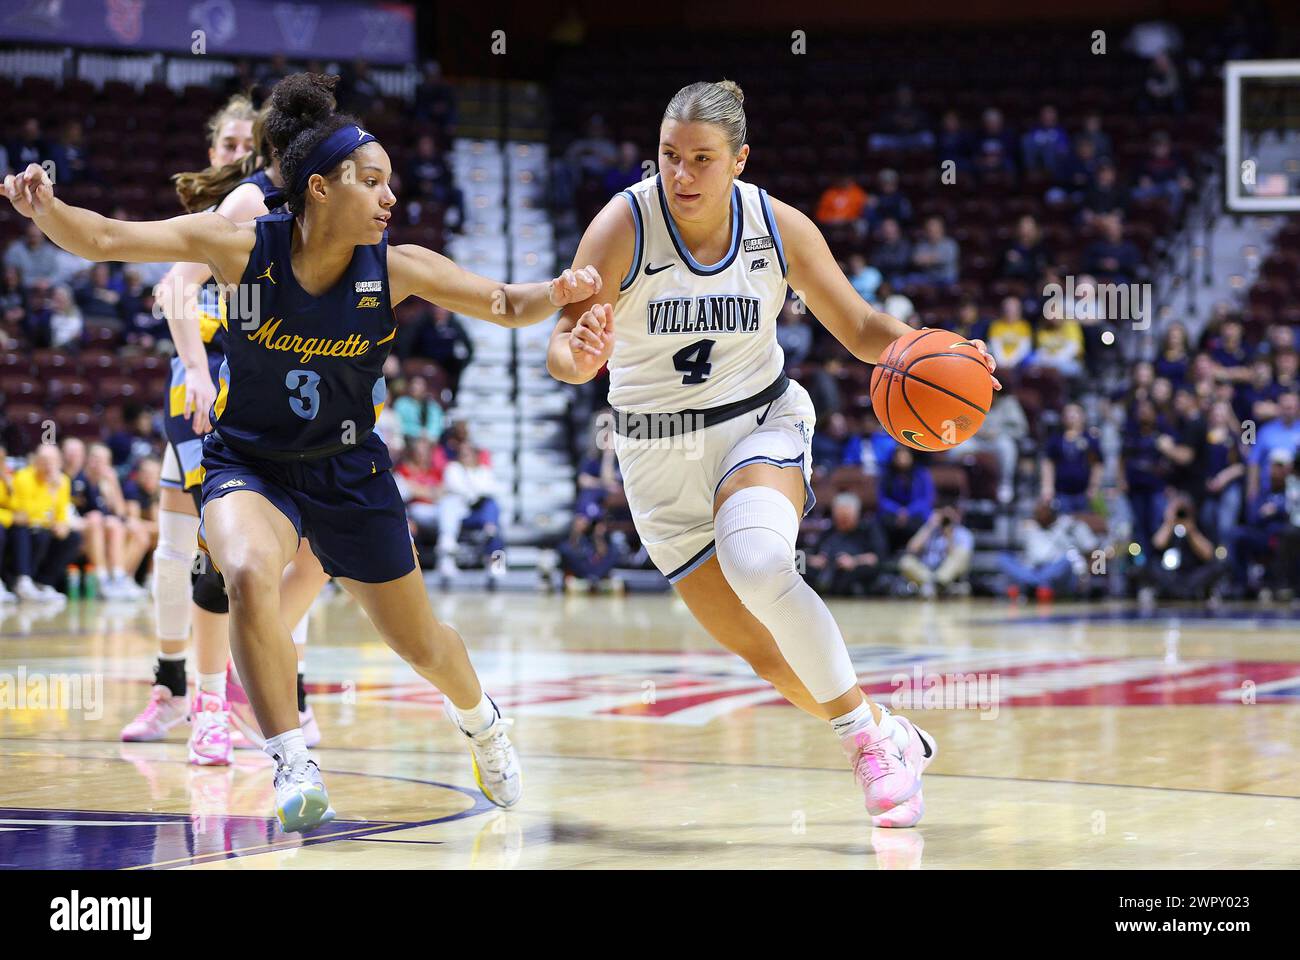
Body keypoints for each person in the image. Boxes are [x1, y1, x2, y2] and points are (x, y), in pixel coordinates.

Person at [5, 71, 604, 830]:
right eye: (373, 182)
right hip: (247, 461)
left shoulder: (394, 269)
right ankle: (291, 755)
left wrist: (563, 287)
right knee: (249, 574)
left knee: (420, 644)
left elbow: (504, 304)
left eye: (393, 185)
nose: (391, 199)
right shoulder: (238, 247)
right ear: (320, 188)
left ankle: (482, 720)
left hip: (348, 469)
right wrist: (44, 206)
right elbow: (109, 239)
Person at [545, 79, 999, 828]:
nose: (681, 176)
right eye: (668, 156)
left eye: (700, 159)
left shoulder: (775, 225)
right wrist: (579, 351)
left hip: (758, 424)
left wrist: (942, 347)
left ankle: (865, 750)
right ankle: (887, 731)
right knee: (764, 655)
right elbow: (561, 350)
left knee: (758, 562)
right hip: (655, 461)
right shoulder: (621, 225)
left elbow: (856, 327)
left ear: (740, 160)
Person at [121, 94, 332, 768]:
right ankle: (188, 691)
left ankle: (264, 679)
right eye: (230, 141)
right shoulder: (233, 209)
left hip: (265, 381)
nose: (241, 152)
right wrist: (196, 371)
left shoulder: (293, 206)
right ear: (215, 148)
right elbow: (172, 289)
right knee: (188, 547)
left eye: (251, 141)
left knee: (302, 543)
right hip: (206, 379)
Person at [7, 444, 82, 602]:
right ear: (36, 461)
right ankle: (23, 581)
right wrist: (50, 492)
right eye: (44, 460)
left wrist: (62, 524)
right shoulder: (23, 477)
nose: (49, 465)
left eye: (53, 461)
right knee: (37, 534)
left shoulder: (63, 481)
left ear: (59, 463)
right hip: (25, 528)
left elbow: (62, 511)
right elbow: (23, 513)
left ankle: (44, 582)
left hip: (45, 527)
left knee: (73, 538)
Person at [998, 501, 1097, 601]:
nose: (1038, 514)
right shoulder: (1030, 527)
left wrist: (1086, 574)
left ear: (1052, 512)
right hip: (1032, 569)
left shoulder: (1069, 525)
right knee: (1004, 558)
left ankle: (1032, 585)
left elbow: (1091, 549)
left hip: (1058, 571)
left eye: (1043, 510)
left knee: (1068, 560)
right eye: (1036, 512)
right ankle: (1040, 584)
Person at [803, 492, 888, 597]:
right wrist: (815, 560)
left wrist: (854, 561)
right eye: (838, 518)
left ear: (856, 515)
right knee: (799, 562)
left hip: (853, 573)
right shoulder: (829, 531)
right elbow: (813, 553)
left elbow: (877, 558)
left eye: (846, 518)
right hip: (826, 572)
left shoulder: (868, 530)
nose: (842, 522)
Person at [898, 504, 974, 598]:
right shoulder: (930, 529)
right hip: (926, 572)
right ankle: (939, 587)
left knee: (961, 554)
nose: (945, 519)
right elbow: (911, 548)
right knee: (906, 561)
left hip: (948, 574)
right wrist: (930, 526)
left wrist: (949, 535)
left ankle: (935, 585)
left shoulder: (964, 534)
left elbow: (955, 560)